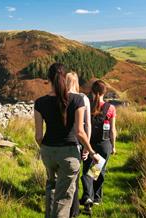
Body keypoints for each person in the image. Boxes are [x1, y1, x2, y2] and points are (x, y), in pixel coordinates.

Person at [34, 63, 101, 218]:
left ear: (48, 78)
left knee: (51, 187)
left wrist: (44, 149)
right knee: (63, 197)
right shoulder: (77, 100)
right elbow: (80, 132)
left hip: (48, 152)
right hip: (69, 154)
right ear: (65, 77)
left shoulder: (39, 103)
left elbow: (38, 136)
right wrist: (91, 152)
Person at [80, 80, 117, 213]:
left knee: (88, 172)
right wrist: (113, 145)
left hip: (88, 144)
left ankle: (89, 197)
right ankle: (94, 198)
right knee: (97, 171)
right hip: (104, 144)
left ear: (93, 91)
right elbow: (112, 130)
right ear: (104, 92)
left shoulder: (86, 106)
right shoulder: (111, 108)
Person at [66, 72, 91, 218]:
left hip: (63, 139)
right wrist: (87, 146)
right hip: (79, 140)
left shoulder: (60, 96)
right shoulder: (82, 98)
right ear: (76, 82)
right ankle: (73, 211)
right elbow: (87, 123)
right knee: (75, 176)